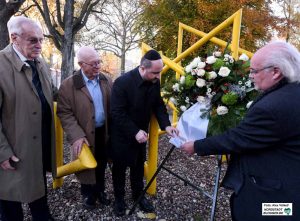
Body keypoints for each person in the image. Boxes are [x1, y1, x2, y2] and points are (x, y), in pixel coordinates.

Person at [181, 41, 300, 221]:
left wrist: (196, 146)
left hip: (274, 197)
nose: (250, 76)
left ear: (276, 72)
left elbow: (238, 138)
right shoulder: (292, 92)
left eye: (254, 71)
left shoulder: (273, 106)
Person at [110, 49, 178, 216]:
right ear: (142, 68)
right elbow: (117, 112)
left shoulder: (155, 81)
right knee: (119, 168)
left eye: (160, 71)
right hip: (122, 134)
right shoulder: (122, 82)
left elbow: (158, 106)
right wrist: (134, 131)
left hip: (141, 134)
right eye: (155, 72)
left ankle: (138, 195)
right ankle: (119, 198)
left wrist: (166, 125)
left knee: (138, 166)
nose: (158, 76)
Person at [0, 16, 56, 221]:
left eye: (41, 39)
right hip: (13, 147)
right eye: (33, 40)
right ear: (14, 38)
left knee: (38, 187)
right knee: (9, 198)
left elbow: (50, 94)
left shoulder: (40, 63)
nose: (40, 45)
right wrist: (2, 152)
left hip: (39, 143)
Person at [57, 46, 112, 209]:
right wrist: (76, 135)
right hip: (83, 134)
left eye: (99, 62)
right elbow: (64, 112)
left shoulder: (106, 80)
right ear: (81, 64)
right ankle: (88, 194)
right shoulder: (69, 85)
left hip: (104, 131)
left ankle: (100, 191)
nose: (98, 67)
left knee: (102, 162)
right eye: (93, 64)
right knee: (86, 167)